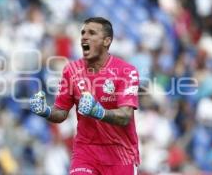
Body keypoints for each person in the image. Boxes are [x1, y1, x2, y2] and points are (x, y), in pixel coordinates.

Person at [30, 17, 140, 175]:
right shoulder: (71, 70)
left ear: (106, 41)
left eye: (92, 33)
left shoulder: (126, 72)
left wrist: (98, 112)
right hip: (86, 151)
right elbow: (61, 112)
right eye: (83, 33)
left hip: (120, 153)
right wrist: (45, 111)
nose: (84, 37)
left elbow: (125, 116)